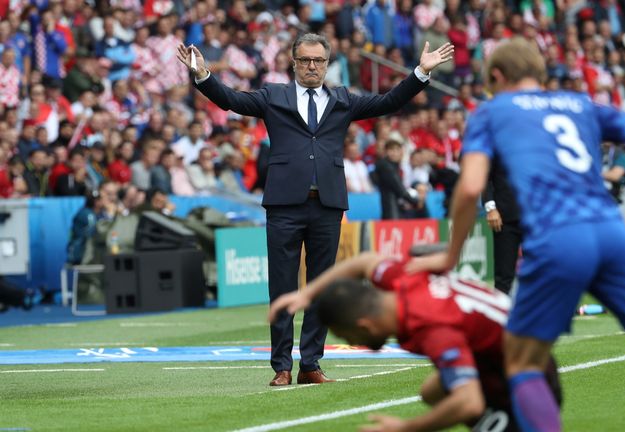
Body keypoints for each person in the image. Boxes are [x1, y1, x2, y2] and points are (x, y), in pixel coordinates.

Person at [409, 37, 625, 431]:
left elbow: (472, 187)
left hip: (559, 239)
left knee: (522, 364)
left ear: (496, 76)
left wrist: (450, 253)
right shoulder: (580, 105)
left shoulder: (491, 112)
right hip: (613, 233)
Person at [177, 33, 454, 386]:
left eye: (318, 61)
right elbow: (231, 100)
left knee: (323, 287)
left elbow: (387, 102)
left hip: (327, 205)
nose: (312, 67)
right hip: (283, 205)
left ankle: (311, 363)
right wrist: (203, 76)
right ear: (293, 63)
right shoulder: (272, 95)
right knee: (282, 286)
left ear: (327, 64)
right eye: (305, 60)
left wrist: (420, 73)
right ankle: (281, 366)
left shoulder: (342, 99)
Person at [268, 251, 561, 432]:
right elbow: (365, 261)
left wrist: (406, 427)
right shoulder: (401, 280)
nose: (352, 342)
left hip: (530, 379)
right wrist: (309, 293)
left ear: (364, 325)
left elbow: (468, 403)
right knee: (432, 390)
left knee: (458, 398)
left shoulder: (432, 327)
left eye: (348, 337)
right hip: (508, 350)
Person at [481, 158, 522, 294]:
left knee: (541, 272)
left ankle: (543, 313)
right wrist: (490, 208)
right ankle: (499, 314)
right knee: (503, 277)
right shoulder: (498, 143)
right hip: (505, 218)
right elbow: (484, 177)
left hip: (535, 219)